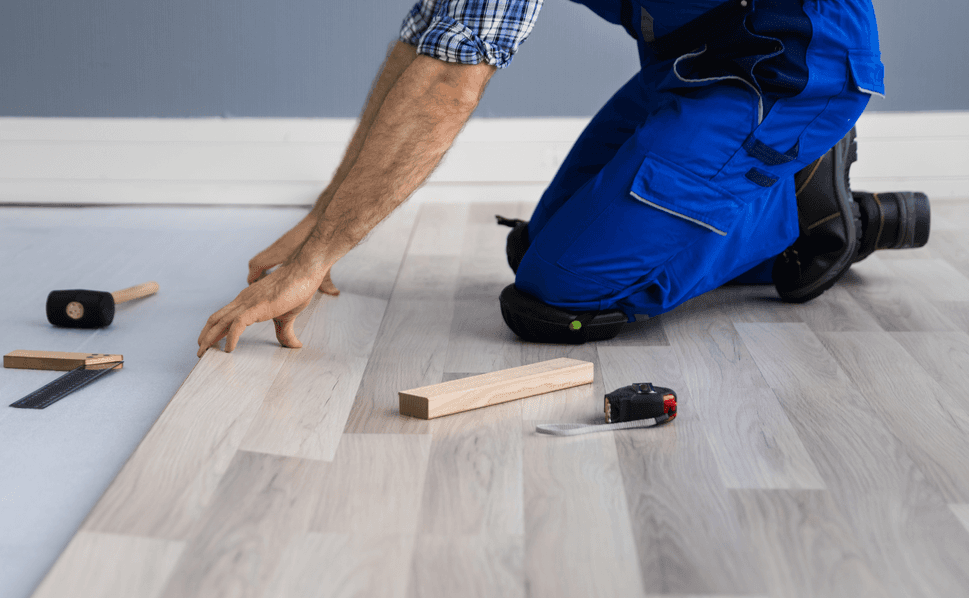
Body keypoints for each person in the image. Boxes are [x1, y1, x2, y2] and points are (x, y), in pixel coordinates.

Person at [196, 0, 929, 357]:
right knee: (540, 250)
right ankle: (781, 195)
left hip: (788, 71)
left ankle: (807, 208)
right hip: (692, 66)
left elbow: (451, 80)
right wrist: (325, 220)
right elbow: (429, 40)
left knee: (560, 297)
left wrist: (319, 255)